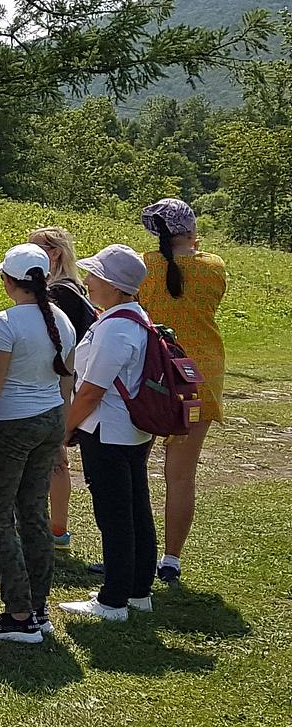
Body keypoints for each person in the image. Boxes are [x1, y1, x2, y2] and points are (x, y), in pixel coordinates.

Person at [0, 244, 76, 644]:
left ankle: (20, 614)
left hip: (9, 426)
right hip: (49, 420)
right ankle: (37, 610)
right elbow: (64, 381)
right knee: (33, 513)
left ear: (9, 281)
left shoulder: (3, 323)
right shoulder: (61, 319)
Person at [60, 244, 158, 622]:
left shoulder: (115, 327)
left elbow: (91, 391)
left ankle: (113, 600)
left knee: (115, 515)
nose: (88, 281)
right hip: (131, 430)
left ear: (115, 286)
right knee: (135, 509)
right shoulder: (135, 317)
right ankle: (137, 591)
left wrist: (66, 429)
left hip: (107, 430)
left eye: (95, 276)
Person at [137, 198, 225, 586]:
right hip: (200, 376)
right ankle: (171, 559)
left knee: (133, 468)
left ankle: (131, 551)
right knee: (181, 476)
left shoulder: (143, 266)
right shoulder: (213, 266)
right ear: (190, 229)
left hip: (153, 375)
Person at [27, 226, 96, 551]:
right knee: (55, 459)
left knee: (51, 459)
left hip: (56, 385)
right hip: (68, 383)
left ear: (54, 253)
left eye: (37, 247)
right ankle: (55, 528)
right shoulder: (75, 288)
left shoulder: (60, 293)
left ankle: (52, 529)